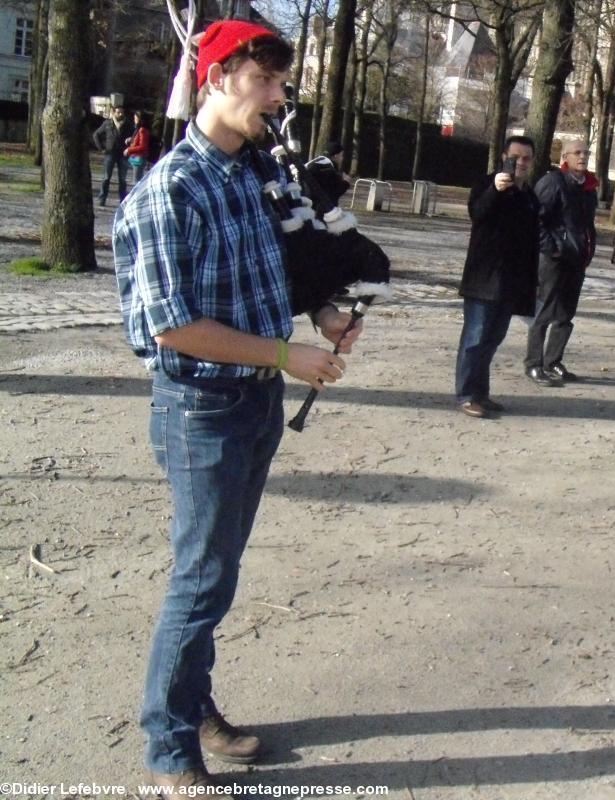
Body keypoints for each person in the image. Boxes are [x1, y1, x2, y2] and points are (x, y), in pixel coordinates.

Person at [112, 20, 361, 791]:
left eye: (282, 84)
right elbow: (175, 327)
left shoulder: (250, 173)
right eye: (267, 82)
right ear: (218, 77)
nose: (280, 98)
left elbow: (275, 270)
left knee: (216, 571)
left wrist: (320, 312)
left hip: (254, 404)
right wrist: (290, 355)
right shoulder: (169, 189)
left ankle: (193, 702)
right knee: (201, 576)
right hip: (201, 410)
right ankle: (167, 746)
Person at [454, 135, 539, 417]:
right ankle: (467, 394)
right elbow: (477, 213)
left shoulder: (529, 195)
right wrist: (494, 189)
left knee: (493, 338)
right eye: (516, 157)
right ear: (504, 157)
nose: (521, 163)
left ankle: (481, 392)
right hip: (484, 277)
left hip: (511, 281)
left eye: (527, 158)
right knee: (475, 338)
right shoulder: (488, 184)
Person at [524, 139, 598, 386]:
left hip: (577, 259)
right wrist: (552, 248)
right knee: (544, 311)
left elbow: (586, 224)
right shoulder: (553, 182)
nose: (583, 156)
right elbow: (535, 219)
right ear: (565, 157)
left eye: (586, 152)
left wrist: (587, 250)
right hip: (553, 260)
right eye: (578, 152)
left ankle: (553, 361)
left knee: (566, 314)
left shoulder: (589, 187)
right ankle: (534, 363)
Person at [92, 105, 133, 205]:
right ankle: (102, 199)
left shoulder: (128, 124)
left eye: (122, 112)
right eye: (118, 112)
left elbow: (134, 136)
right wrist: (101, 148)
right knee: (106, 177)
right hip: (110, 153)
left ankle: (123, 200)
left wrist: (130, 143)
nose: (120, 114)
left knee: (122, 179)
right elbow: (96, 134)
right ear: (114, 113)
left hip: (123, 154)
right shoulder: (108, 123)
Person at [123, 111, 155, 183]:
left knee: (137, 181)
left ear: (140, 119)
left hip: (139, 156)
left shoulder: (142, 130)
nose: (134, 120)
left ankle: (137, 194)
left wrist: (129, 149)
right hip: (138, 156)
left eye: (135, 118)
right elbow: (139, 140)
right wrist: (132, 139)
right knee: (137, 179)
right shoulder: (140, 129)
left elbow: (142, 146)